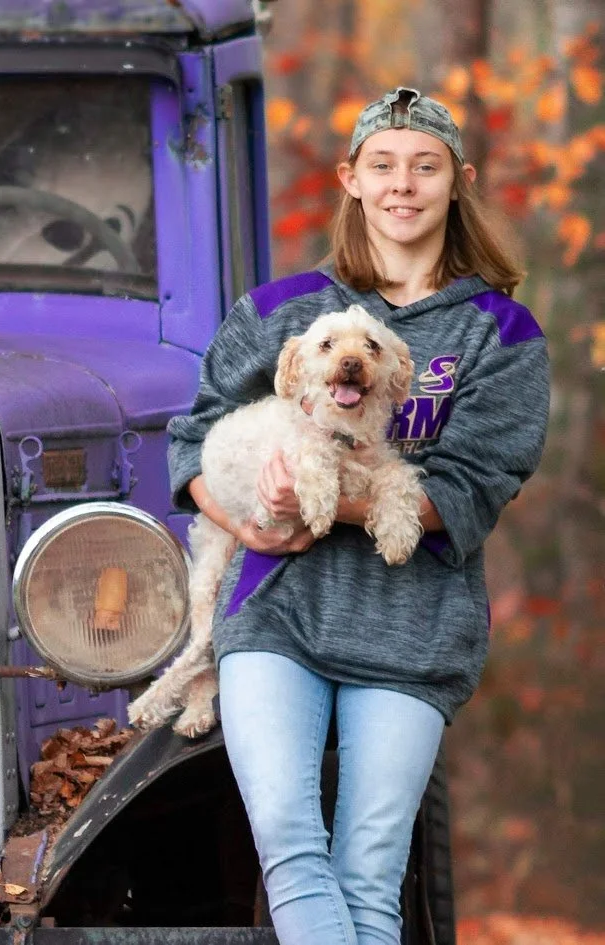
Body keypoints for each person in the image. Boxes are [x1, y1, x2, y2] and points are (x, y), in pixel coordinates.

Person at [167, 87, 550, 945]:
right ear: (350, 179)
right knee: (292, 851)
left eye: (424, 166)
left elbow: (474, 484)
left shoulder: (501, 331)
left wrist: (328, 499)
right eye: (382, 165)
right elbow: (190, 443)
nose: (401, 185)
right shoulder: (276, 312)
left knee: (369, 875)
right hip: (273, 616)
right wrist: (246, 515)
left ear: (459, 182)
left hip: (411, 632)